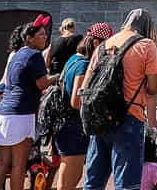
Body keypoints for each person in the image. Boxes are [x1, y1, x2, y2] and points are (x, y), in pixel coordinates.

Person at [83, 8, 157, 190]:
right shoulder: (147, 45)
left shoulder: (104, 45)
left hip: (100, 117)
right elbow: (154, 87)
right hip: (130, 117)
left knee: (93, 181)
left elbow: (87, 86)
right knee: (127, 184)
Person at [0, 21, 54, 190]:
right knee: (19, 164)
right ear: (29, 38)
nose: (45, 37)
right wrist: (58, 76)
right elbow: (42, 83)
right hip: (22, 113)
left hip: (4, 112)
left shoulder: (16, 54)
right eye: (41, 34)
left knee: (3, 161)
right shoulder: (35, 55)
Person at [57, 22, 113, 190]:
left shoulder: (73, 59)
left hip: (65, 124)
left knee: (66, 173)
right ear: (96, 43)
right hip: (73, 126)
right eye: (105, 44)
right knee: (72, 178)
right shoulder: (83, 64)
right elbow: (76, 101)